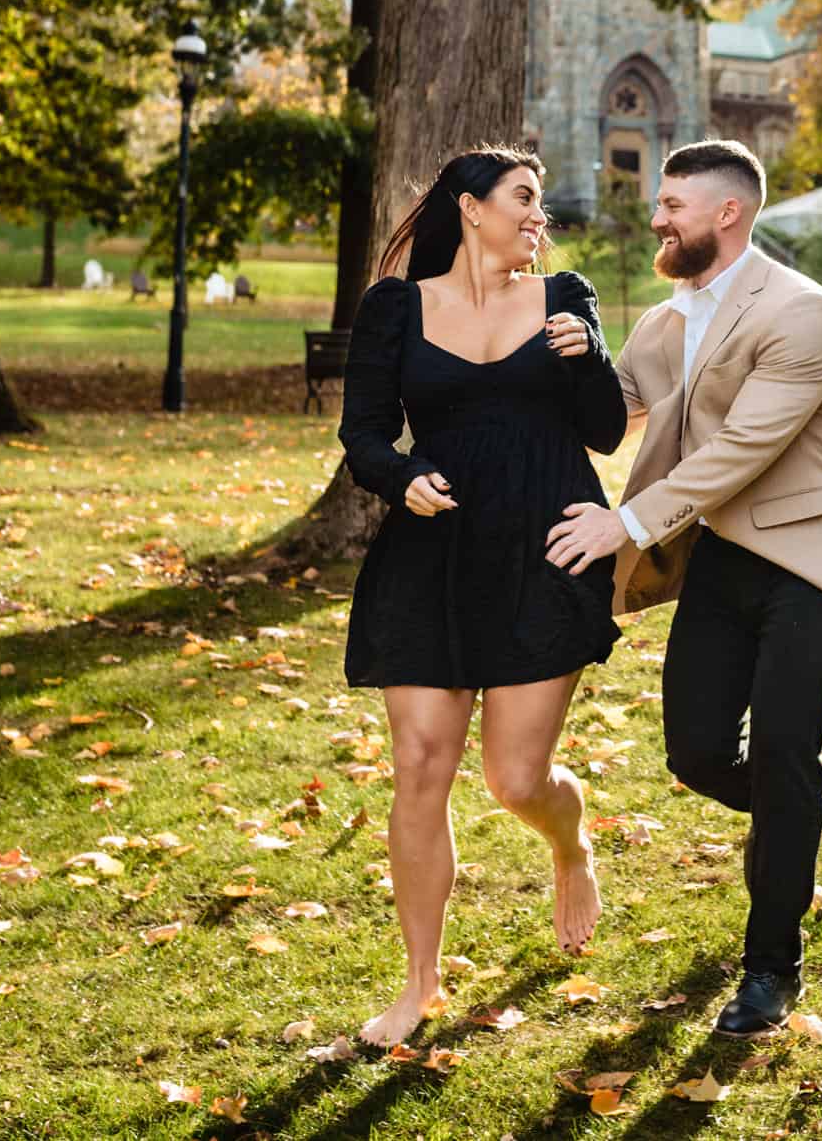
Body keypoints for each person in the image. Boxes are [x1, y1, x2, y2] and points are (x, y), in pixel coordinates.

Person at [546, 140, 822, 1038]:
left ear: (726, 213)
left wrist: (621, 525)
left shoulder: (803, 312)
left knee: (781, 746)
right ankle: (791, 820)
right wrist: (576, 355)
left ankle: (772, 966)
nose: (657, 217)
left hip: (809, 563)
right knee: (696, 754)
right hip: (721, 563)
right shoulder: (668, 321)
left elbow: (742, 450)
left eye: (672, 205)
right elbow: (610, 406)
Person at [339, 144, 627, 1048]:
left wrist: (589, 358)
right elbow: (365, 434)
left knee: (512, 778)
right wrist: (402, 475)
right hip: (434, 552)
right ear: (470, 207)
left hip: (545, 550)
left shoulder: (564, 298)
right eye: (525, 197)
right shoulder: (397, 308)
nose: (540, 215)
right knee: (421, 767)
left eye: (540, 200)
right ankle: (417, 984)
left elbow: (607, 429)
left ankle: (569, 841)